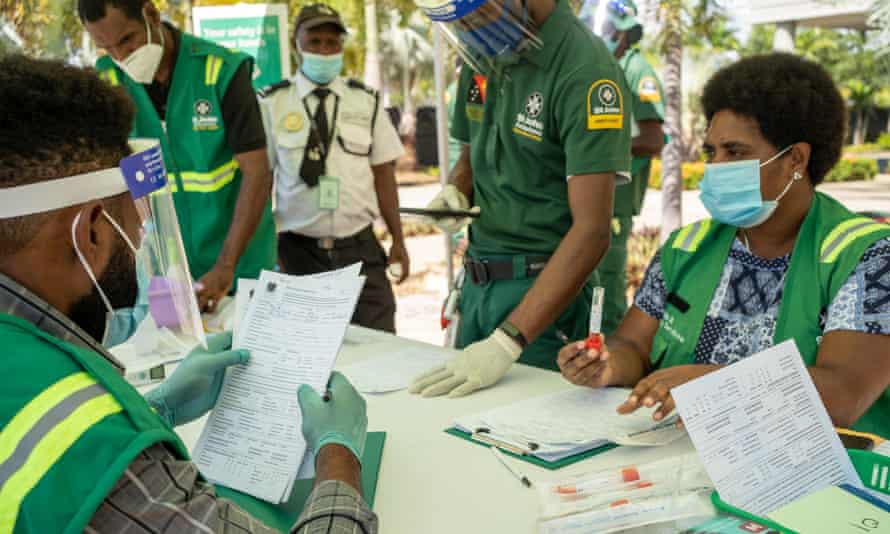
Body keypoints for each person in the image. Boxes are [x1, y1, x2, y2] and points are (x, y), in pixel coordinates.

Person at [0, 55, 376, 533]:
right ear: (92, 232)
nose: (138, 239)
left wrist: (156, 409)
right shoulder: (92, 450)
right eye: (134, 226)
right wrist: (338, 455)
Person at [558, 53, 890, 435]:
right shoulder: (686, 248)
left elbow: (843, 395)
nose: (715, 167)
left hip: (828, 476)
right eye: (710, 152)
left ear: (795, 159)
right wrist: (607, 365)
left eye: (735, 152)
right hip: (688, 459)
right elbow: (633, 345)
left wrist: (712, 383)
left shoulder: (866, 257)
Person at [410, 0, 633, 397]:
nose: (470, 30)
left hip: (543, 302)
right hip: (478, 285)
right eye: (460, 24)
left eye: (478, 16)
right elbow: (474, 146)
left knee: (529, 440)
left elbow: (592, 230)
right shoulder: (486, 49)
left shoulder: (585, 69)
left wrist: (508, 340)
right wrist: (457, 190)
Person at [79, 0, 277, 314]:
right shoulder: (108, 84)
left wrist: (225, 267)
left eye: (128, 40)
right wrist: (149, 271)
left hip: (240, 266)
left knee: (250, 354)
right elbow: (117, 187)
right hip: (165, 275)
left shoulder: (220, 71)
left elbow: (258, 173)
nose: (121, 57)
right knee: (176, 359)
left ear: (152, 15)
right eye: (107, 48)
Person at [259, 4, 409, 333]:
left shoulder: (365, 101)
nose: (325, 51)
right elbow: (260, 181)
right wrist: (266, 250)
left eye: (332, 42)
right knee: (306, 352)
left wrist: (399, 239)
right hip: (297, 253)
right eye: (315, 42)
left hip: (360, 250)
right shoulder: (272, 103)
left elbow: (384, 174)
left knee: (380, 340)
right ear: (297, 43)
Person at [591, 0, 665, 335]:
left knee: (606, 290)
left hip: (617, 201)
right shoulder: (598, 67)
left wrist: (595, 152)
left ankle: (613, 362)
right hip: (594, 196)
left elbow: (653, 139)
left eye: (608, 30)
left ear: (623, 33)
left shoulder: (637, 71)